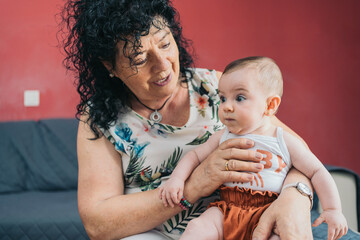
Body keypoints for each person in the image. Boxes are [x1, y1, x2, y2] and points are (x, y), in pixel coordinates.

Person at [59, 0, 315, 239]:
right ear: (110, 66)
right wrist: (194, 184)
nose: (162, 66)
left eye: (165, 44)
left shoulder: (219, 88)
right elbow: (97, 222)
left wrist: (296, 197)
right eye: (139, 59)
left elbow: (295, 151)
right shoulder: (101, 119)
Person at [159, 56, 348, 240]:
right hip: (227, 208)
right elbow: (194, 156)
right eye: (223, 98)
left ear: (270, 105)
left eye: (239, 98)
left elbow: (317, 171)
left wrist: (333, 209)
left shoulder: (283, 139)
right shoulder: (222, 136)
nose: (226, 107)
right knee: (197, 228)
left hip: (270, 211)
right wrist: (176, 180)